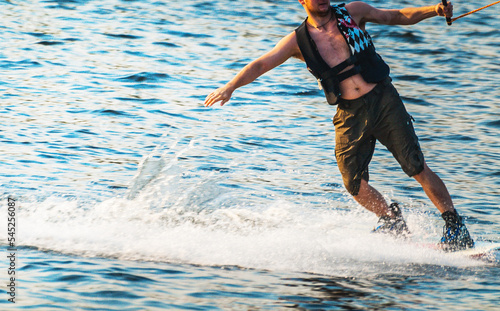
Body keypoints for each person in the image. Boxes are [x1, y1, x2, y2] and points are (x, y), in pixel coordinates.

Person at [204, 0, 474, 251]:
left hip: (383, 100)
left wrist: (434, 10)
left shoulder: (353, 12)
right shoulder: (298, 41)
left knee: (415, 166)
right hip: (350, 112)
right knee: (353, 182)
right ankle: (392, 219)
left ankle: (455, 228)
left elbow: (396, 15)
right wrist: (231, 86)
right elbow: (262, 62)